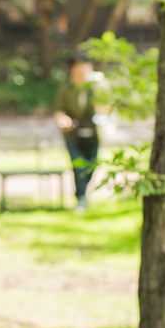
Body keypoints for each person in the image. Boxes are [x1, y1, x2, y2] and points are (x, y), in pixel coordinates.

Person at [53, 52, 102, 212]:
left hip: (94, 133)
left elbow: (107, 106)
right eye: (77, 66)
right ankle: (81, 197)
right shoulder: (66, 89)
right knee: (78, 165)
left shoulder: (97, 86)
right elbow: (59, 110)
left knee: (92, 165)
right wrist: (63, 119)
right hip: (73, 134)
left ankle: (82, 193)